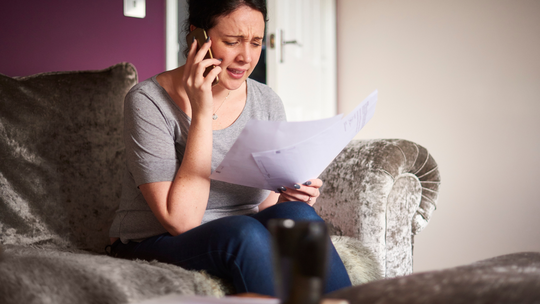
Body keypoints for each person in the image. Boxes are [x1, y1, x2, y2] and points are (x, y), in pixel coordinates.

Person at [108, 0, 351, 296]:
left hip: (240, 230)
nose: (246, 57)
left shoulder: (267, 101)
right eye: (232, 42)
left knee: (300, 216)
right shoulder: (148, 101)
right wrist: (201, 112)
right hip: (154, 241)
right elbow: (181, 222)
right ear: (196, 38)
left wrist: (287, 194)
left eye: (256, 42)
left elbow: (262, 206)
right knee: (243, 232)